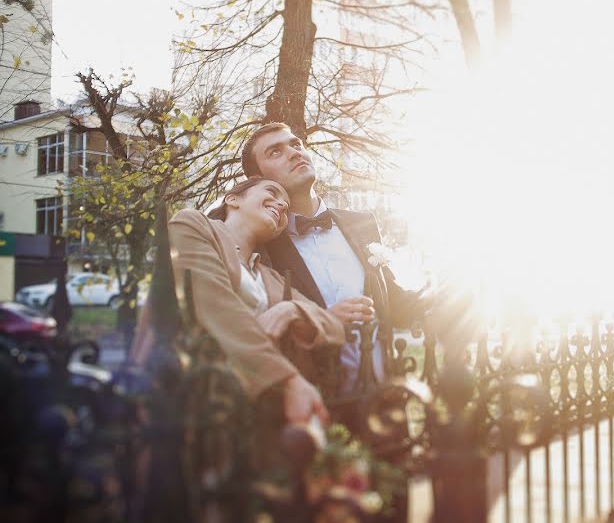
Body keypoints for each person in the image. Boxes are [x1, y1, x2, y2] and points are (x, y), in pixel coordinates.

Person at [131, 177, 346, 425]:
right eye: (271, 192)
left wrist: (292, 308)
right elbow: (217, 307)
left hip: (253, 422)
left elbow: (334, 328)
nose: (281, 205)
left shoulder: (270, 277)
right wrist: (288, 380)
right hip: (187, 411)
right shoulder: (193, 225)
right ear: (233, 199)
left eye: (286, 206)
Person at [240, 123, 424, 396]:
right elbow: (257, 333)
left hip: (385, 402)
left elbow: (393, 302)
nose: (293, 152)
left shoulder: (362, 223)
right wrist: (321, 322)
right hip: (316, 408)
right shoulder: (261, 248)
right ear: (259, 179)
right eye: (276, 152)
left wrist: (444, 299)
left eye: (296, 144)